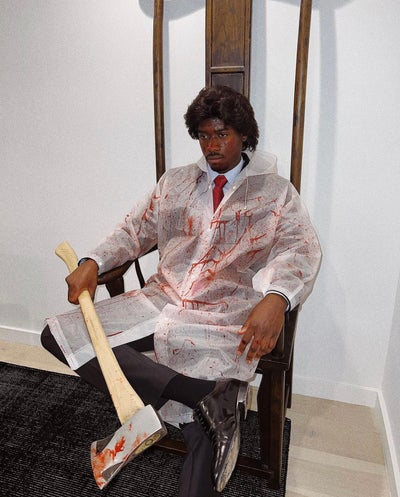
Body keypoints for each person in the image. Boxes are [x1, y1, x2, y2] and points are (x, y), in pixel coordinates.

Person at [42, 85, 321, 496]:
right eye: (204, 136)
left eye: (222, 134)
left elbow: (300, 250)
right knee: (58, 333)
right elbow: (133, 230)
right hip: (160, 300)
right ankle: (204, 396)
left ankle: (194, 408)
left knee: (200, 434)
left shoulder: (276, 193)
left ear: (245, 135)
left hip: (222, 315)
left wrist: (277, 298)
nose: (212, 145)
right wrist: (93, 262)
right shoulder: (175, 182)